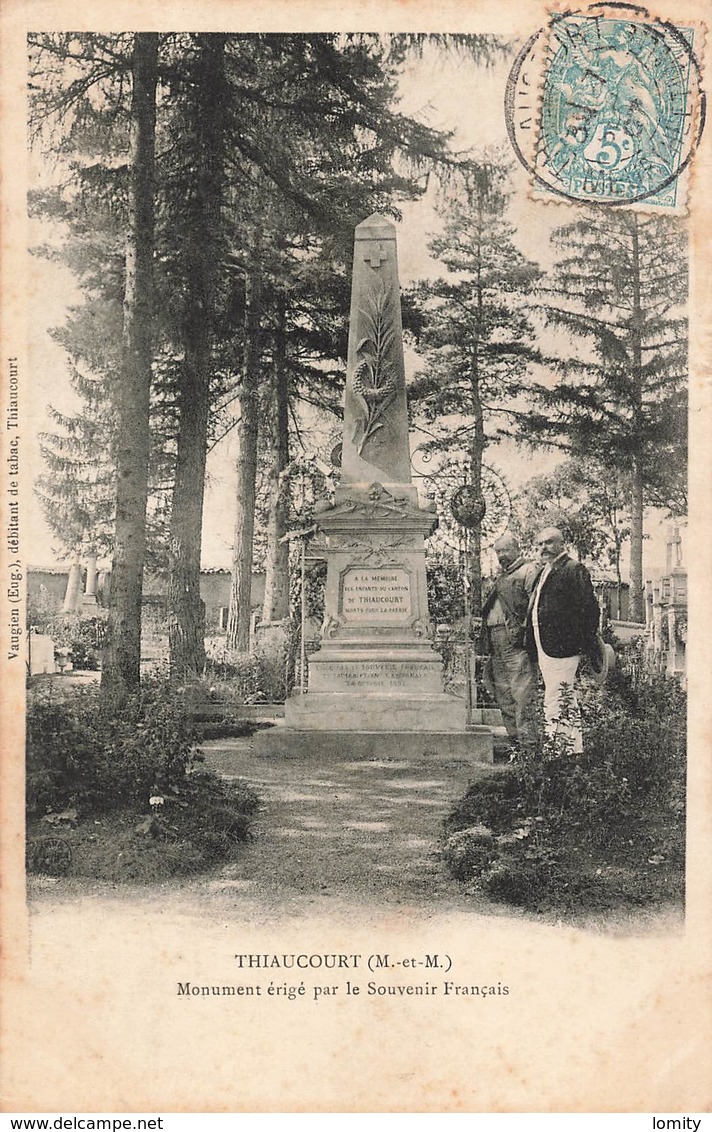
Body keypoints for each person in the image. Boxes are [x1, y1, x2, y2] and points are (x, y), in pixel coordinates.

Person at [525, 526, 600, 754]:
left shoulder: (573, 569)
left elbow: (590, 610)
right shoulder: (544, 571)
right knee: (565, 697)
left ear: (561, 544)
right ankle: (572, 750)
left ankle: (554, 753)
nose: (543, 548)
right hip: (543, 645)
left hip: (562, 647)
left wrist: (579, 644)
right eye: (539, 544)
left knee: (556, 698)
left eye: (548, 543)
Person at [481, 533, 540, 751]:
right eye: (498, 552)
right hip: (495, 639)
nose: (501, 556)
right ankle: (514, 741)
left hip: (515, 640)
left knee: (522, 692)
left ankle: (529, 745)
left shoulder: (528, 570)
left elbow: (534, 605)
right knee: (503, 692)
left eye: (505, 550)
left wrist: (527, 636)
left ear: (517, 548)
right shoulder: (501, 577)